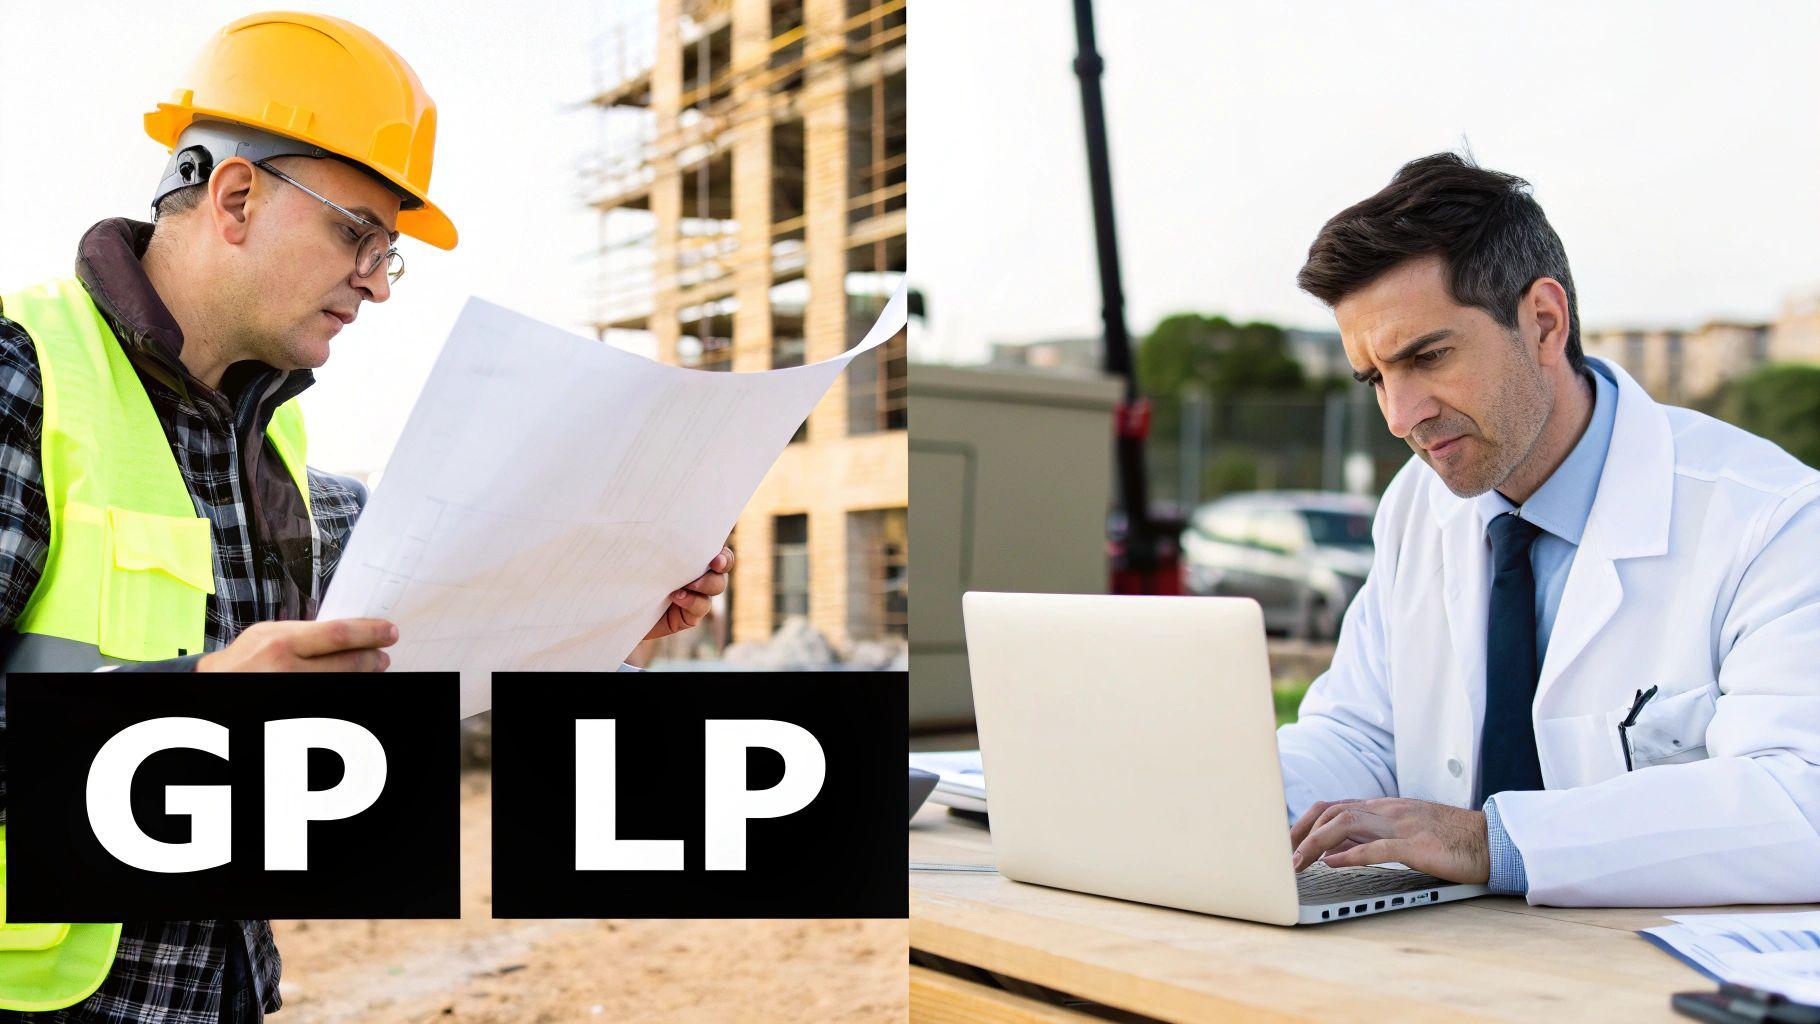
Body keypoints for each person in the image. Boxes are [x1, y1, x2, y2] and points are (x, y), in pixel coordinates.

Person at [0, 13, 728, 1021]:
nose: (378, 282)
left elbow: (445, 633)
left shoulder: (280, 464)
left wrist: (607, 602)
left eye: (391, 250)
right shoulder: (21, 380)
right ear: (237, 194)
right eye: (357, 232)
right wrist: (190, 705)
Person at [1277, 152, 1820, 908]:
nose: (1402, 418)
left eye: (1427, 356)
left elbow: (1803, 800)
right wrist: (1231, 795)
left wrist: (1486, 841)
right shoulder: (1417, 504)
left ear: (1543, 322)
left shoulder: (1774, 519)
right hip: (1443, 965)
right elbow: (1363, 736)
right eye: (1375, 379)